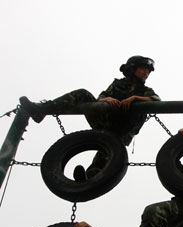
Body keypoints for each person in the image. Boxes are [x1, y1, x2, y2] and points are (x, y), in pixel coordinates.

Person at [19, 55, 160, 180]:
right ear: (132, 69)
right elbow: (101, 97)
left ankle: (87, 180)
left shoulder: (144, 91)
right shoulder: (118, 84)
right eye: (143, 70)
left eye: (148, 71)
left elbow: (157, 101)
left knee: (106, 155)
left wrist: (135, 98)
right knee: (82, 93)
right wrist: (107, 99)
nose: (146, 73)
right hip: (106, 120)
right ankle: (42, 110)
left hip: (122, 129)